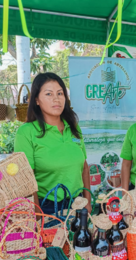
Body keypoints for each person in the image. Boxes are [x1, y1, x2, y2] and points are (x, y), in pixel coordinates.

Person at [14, 72, 91, 215]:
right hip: (47, 207)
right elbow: (25, 180)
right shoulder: (26, 132)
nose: (56, 99)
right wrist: (37, 215)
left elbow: (84, 167)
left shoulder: (73, 127)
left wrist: (88, 202)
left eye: (60, 93)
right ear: (36, 100)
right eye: (49, 94)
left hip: (78, 204)